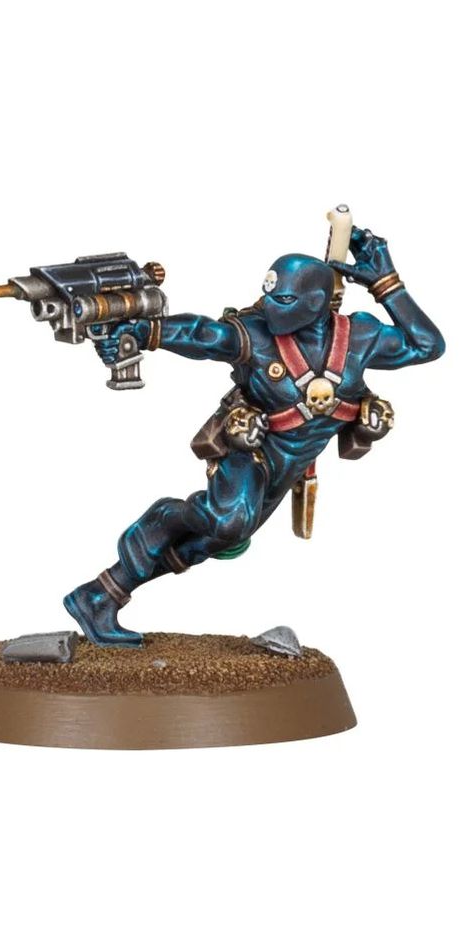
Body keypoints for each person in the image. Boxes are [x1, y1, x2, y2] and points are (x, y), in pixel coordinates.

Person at [64, 226, 445, 645]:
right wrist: (143, 332)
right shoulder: (255, 333)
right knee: (229, 520)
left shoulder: (361, 337)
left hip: (292, 465)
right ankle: (166, 518)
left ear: (316, 302)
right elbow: (204, 334)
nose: (268, 304)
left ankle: (99, 596)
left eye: (284, 299)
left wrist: (386, 283)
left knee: (213, 542)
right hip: (251, 449)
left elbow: (427, 346)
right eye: (269, 294)